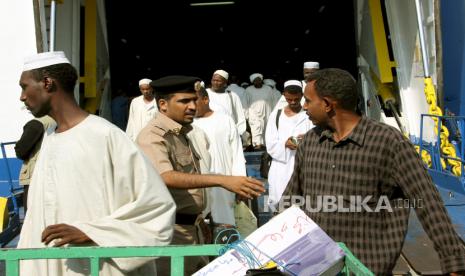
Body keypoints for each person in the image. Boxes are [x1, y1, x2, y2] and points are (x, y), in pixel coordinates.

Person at [281, 68, 465, 275]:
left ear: (327, 104)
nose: (304, 106)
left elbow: (428, 202)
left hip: (367, 268)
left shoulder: (388, 142)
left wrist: (454, 263)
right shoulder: (311, 143)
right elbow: (290, 200)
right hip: (314, 267)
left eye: (308, 100)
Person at [17, 51, 176, 276]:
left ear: (47, 83)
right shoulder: (50, 136)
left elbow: (156, 208)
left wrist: (93, 233)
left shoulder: (106, 136)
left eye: (24, 86)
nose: (22, 97)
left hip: (96, 268)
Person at [136, 75, 264, 275]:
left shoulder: (183, 133)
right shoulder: (153, 136)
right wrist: (221, 180)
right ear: (162, 104)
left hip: (194, 229)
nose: (193, 106)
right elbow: (166, 177)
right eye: (184, 101)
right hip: (171, 234)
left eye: (194, 100)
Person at [192, 82, 247, 241]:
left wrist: (239, 182)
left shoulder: (225, 120)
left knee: (225, 229)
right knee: (200, 229)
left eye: (194, 100)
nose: (191, 105)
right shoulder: (189, 124)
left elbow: (236, 153)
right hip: (198, 185)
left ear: (205, 99)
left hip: (224, 183)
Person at [264, 80, 313, 209]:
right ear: (284, 95)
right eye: (289, 99)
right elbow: (270, 143)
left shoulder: (309, 115)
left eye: (296, 99)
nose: (292, 102)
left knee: (304, 205)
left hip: (305, 165)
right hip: (281, 167)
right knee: (281, 205)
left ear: (302, 96)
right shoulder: (276, 115)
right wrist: (285, 144)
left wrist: (307, 139)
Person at [14, 115, 55, 213]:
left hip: (34, 176)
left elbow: (21, 151)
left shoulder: (36, 124)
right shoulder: (58, 121)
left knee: (31, 215)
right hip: (53, 173)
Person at [207, 69, 247, 136]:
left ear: (225, 82)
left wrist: (239, 133)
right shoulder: (205, 94)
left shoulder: (232, 96)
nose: (215, 83)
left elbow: (240, 116)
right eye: (213, 80)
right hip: (209, 133)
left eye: (218, 81)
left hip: (229, 134)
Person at [245, 73, 278, 150]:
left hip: (267, 112)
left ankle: (265, 144)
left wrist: (274, 112)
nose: (257, 82)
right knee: (256, 127)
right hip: (253, 113)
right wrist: (246, 114)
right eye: (255, 81)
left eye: (258, 80)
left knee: (266, 128)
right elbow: (245, 102)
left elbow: (274, 100)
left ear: (261, 80)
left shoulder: (268, 89)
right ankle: (257, 144)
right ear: (252, 82)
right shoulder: (248, 90)